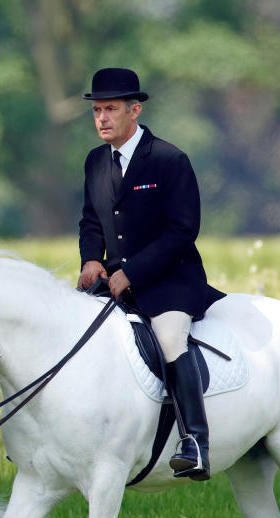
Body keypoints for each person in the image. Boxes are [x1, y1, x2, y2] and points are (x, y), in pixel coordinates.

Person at [76, 67, 225, 480]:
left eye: (111, 109)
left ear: (134, 110)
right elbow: (91, 221)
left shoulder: (169, 159)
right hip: (115, 281)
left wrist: (133, 272)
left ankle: (195, 441)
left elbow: (182, 231)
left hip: (170, 281)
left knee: (171, 338)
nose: (102, 118)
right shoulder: (94, 162)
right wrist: (91, 259)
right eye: (97, 110)